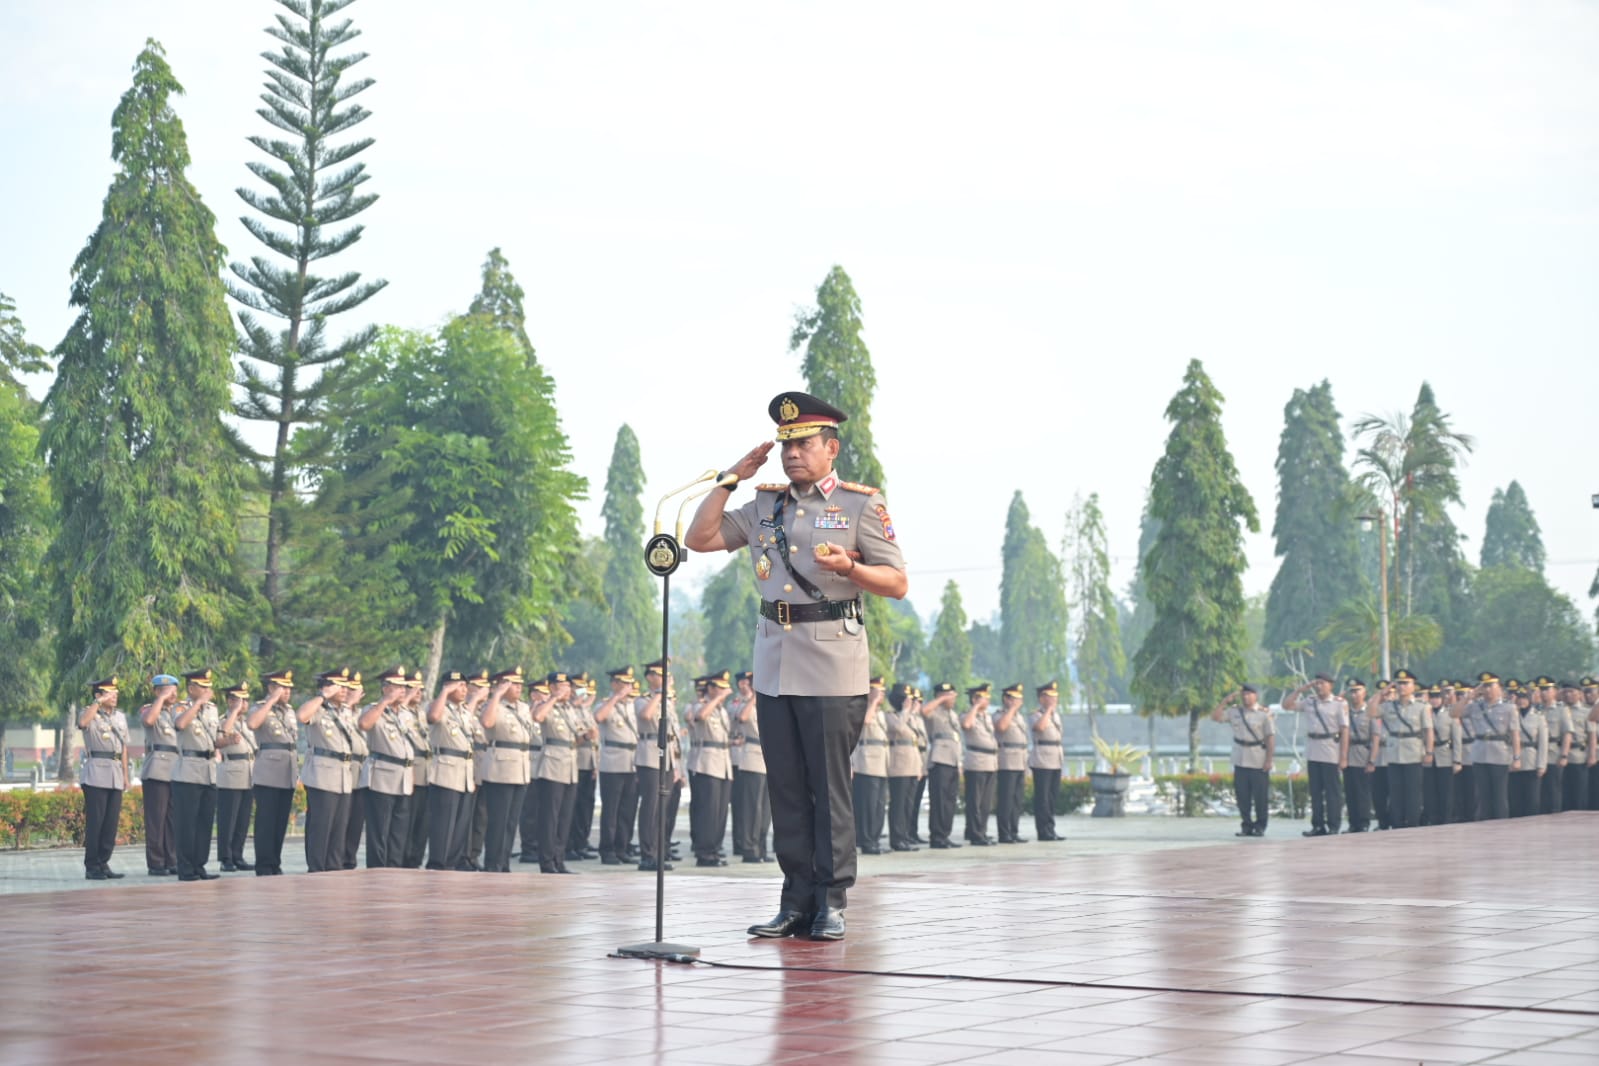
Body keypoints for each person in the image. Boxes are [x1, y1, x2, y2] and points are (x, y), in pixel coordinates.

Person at [686, 390, 909, 942]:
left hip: (833, 662)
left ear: (830, 449)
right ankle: (795, 901)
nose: (792, 455)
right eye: (786, 445)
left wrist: (850, 569)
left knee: (827, 787)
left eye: (804, 445)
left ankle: (832, 901)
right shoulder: (765, 505)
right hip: (776, 662)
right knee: (785, 787)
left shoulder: (861, 506)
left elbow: (897, 582)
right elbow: (700, 538)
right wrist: (729, 479)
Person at [358, 666, 416, 868]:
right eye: (396, 686)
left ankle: (394, 868)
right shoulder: (373, 709)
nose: (402, 690)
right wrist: (385, 702)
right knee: (379, 830)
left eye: (403, 686)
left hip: (404, 777)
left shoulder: (407, 715)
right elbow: (364, 724)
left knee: (399, 831)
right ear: (385, 688)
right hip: (382, 776)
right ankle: (378, 869)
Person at [300, 668, 356, 873]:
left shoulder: (344, 712)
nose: (344, 690)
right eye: (338, 686)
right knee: (321, 826)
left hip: (342, 774)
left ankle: (334, 867)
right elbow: (302, 715)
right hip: (322, 774)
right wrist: (323, 696)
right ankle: (316, 868)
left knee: (339, 828)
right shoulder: (318, 708)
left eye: (345, 686)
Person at [478, 668, 533, 873]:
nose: (519, 687)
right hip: (500, 768)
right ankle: (492, 863)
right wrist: (497, 695)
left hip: (520, 768)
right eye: (513, 684)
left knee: (511, 822)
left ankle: (504, 862)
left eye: (520, 684)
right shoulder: (493, 706)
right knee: (498, 821)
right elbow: (487, 723)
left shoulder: (524, 708)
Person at [426, 671, 480, 870]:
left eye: (465, 686)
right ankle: (437, 863)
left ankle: (453, 863)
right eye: (459, 686)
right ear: (447, 686)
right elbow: (433, 717)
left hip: (465, 771)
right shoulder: (438, 706)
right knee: (443, 823)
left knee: (460, 824)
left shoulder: (464, 712)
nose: (464, 690)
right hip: (446, 771)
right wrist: (445, 691)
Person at [1283, 673, 1347, 836]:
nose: (1319, 686)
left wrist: (1343, 756)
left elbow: (1344, 730)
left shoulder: (1339, 704)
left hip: (1331, 750)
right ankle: (1318, 825)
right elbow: (1287, 706)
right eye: (1317, 683)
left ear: (1331, 685)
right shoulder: (1309, 701)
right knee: (1316, 791)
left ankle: (1333, 825)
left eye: (1323, 683)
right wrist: (1299, 690)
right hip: (1313, 750)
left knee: (1332, 792)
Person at [248, 669, 297, 876]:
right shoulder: (260, 708)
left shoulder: (289, 711)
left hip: (287, 771)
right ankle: (264, 865)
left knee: (279, 822)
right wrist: (271, 700)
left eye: (288, 688)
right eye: (282, 688)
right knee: (266, 822)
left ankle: (275, 862)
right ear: (271, 688)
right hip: (268, 771)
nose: (287, 692)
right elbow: (252, 724)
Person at [79, 677, 128, 880]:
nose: (114, 696)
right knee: (96, 822)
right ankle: (92, 866)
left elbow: (124, 747)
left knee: (110, 823)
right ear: (99, 695)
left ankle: (103, 862)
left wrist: (126, 775)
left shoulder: (120, 717)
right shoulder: (89, 713)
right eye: (109, 693)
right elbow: (82, 723)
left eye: (115, 693)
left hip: (115, 772)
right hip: (96, 773)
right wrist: (97, 703)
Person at [1210, 684, 1275, 837]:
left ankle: (1260, 826)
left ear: (1255, 696)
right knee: (1242, 796)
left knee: (1260, 796)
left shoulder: (1264, 714)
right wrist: (1225, 701)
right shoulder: (1234, 711)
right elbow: (1215, 717)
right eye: (1243, 694)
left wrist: (1269, 760)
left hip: (1258, 758)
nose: (1246, 697)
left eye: (1249, 694)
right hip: (1240, 758)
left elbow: (1270, 738)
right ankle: (1246, 825)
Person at [534, 671, 580, 874]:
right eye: (562, 686)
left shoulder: (570, 709)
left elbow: (574, 737)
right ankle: (546, 861)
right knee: (549, 817)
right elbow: (537, 717)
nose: (566, 690)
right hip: (552, 765)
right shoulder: (545, 704)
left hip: (570, 765)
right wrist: (552, 698)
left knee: (564, 816)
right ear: (552, 687)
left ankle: (558, 859)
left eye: (568, 687)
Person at [688, 670, 735, 866]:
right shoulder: (701, 706)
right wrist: (717, 699)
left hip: (723, 763)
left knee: (720, 811)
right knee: (707, 810)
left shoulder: (722, 711)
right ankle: (704, 852)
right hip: (706, 763)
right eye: (721, 688)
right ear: (711, 689)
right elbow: (700, 716)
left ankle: (714, 849)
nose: (725, 691)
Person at [633, 661, 677, 872]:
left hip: (667, 755)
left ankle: (658, 853)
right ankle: (647, 854)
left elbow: (673, 732)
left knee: (662, 808)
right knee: (650, 805)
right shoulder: (643, 699)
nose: (664, 679)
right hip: (649, 754)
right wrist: (660, 694)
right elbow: (646, 716)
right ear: (650, 677)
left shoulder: (668, 700)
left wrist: (676, 765)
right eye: (660, 676)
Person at [595, 667, 641, 865]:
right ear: (614, 684)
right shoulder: (606, 704)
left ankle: (623, 847)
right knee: (611, 809)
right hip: (613, 761)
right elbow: (598, 717)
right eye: (622, 683)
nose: (626, 688)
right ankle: (608, 849)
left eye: (628, 684)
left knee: (627, 809)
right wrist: (615, 697)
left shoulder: (634, 706)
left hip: (632, 760)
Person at [138, 673, 181, 875]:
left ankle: (172, 859)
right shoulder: (150, 708)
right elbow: (148, 721)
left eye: (174, 690)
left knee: (173, 819)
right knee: (156, 819)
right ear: (156, 691)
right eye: (167, 690)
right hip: (158, 767)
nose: (172, 694)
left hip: (177, 767)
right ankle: (156, 862)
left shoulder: (178, 712)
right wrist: (161, 699)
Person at [1379, 669, 1433, 830]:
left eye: (1405, 683)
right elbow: (1371, 711)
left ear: (1413, 686)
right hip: (1394, 752)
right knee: (1396, 792)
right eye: (1399, 683)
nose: (1402, 686)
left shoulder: (1422, 707)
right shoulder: (1388, 706)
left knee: (1413, 792)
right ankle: (1397, 823)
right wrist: (1383, 692)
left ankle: (1413, 823)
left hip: (1413, 752)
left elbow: (1428, 730)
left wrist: (1429, 751)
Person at [728, 669, 772, 863]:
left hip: (768, 756)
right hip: (752, 757)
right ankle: (749, 848)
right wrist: (755, 698)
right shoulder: (745, 704)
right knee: (751, 808)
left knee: (765, 809)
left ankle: (761, 847)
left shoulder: (769, 702)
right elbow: (743, 718)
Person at [215, 681, 257, 871]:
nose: (244, 704)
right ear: (230, 700)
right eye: (240, 700)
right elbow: (221, 736)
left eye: (246, 700)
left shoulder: (247, 723)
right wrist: (234, 711)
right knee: (228, 820)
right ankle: (226, 858)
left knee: (243, 820)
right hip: (231, 773)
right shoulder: (224, 719)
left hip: (249, 772)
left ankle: (238, 855)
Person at [1466, 673, 1520, 821]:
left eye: (1490, 685)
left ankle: (1501, 826)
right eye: (1484, 686)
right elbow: (1454, 713)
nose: (1487, 689)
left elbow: (1515, 734)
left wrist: (1516, 757)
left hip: (1499, 754)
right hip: (1480, 753)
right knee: (1483, 795)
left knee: (1499, 796)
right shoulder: (1474, 706)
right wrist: (1469, 697)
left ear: (1499, 688)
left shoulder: (1509, 708)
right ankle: (1484, 826)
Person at [849, 677, 890, 855]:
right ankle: (866, 841)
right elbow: (864, 722)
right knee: (867, 805)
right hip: (867, 763)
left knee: (879, 804)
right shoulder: (863, 708)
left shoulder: (881, 713)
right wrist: (871, 701)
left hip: (881, 763)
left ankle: (874, 839)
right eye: (878, 691)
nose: (881, 695)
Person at [922, 682, 963, 848]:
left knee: (949, 801)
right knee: (939, 800)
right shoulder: (934, 711)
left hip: (953, 759)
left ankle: (945, 834)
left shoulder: (952, 714)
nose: (953, 699)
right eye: (949, 695)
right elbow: (924, 711)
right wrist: (941, 699)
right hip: (940, 759)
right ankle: (937, 836)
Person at [883, 683, 923, 852]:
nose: (909, 702)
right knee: (898, 804)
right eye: (906, 700)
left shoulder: (910, 717)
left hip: (913, 764)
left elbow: (917, 741)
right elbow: (898, 728)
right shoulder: (891, 716)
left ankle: (905, 836)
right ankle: (897, 838)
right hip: (899, 765)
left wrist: (920, 767)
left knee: (908, 803)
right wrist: (906, 711)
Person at [398, 670, 432, 868]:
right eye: (412, 688)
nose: (417, 692)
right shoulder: (401, 712)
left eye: (420, 689)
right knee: (408, 821)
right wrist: (407, 696)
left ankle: (416, 859)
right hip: (411, 772)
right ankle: (404, 859)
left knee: (422, 822)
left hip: (426, 772)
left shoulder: (420, 712)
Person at [338, 671, 370, 869]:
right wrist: (348, 703)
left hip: (360, 769)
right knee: (341, 818)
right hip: (343, 768)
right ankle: (337, 858)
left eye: (356, 690)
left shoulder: (362, 713)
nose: (353, 693)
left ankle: (349, 858)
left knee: (356, 819)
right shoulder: (339, 712)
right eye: (349, 689)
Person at [567, 675, 600, 862]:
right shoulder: (571, 710)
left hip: (588, 762)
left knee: (585, 806)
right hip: (576, 761)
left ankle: (581, 842)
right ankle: (570, 844)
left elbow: (595, 740)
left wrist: (596, 763)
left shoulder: (584, 711)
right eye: (578, 688)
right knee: (573, 807)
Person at [960, 683, 998, 846]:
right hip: (976, 761)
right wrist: (975, 707)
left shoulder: (987, 717)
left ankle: (981, 831)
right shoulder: (967, 714)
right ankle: (975, 834)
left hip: (990, 761)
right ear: (975, 699)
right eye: (983, 698)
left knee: (985, 802)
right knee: (975, 801)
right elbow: (967, 725)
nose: (987, 702)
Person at [1028, 680, 1065, 841]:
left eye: (1055, 697)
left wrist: (1051, 711)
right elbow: (1040, 728)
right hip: (1042, 759)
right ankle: (1043, 831)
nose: (1054, 700)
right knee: (1042, 797)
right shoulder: (1035, 715)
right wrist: (1048, 710)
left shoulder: (1056, 715)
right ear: (1041, 698)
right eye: (1050, 697)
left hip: (1055, 758)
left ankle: (1051, 828)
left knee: (1052, 796)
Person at [1342, 680, 1380, 833]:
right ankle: (1353, 822)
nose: (1354, 694)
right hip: (1349, 755)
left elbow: (1375, 737)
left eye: (1357, 691)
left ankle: (1364, 822)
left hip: (1363, 755)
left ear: (1364, 692)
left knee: (1362, 792)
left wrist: (1372, 760)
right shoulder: (1346, 712)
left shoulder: (1370, 712)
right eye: (1351, 691)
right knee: (1350, 792)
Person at [993, 683, 1029, 844]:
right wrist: (1012, 710)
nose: (1018, 702)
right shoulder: (999, 714)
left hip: (1020, 759)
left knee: (1017, 799)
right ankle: (1004, 832)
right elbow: (1001, 727)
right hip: (1007, 759)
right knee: (1006, 799)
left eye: (1019, 699)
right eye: (1014, 698)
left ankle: (1014, 830)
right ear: (1006, 699)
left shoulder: (1019, 717)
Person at [1423, 683, 1462, 825]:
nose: (1434, 700)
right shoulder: (1425, 712)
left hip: (1445, 755)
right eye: (1432, 697)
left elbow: (1457, 739)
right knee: (1430, 791)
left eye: (1437, 697)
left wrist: (1457, 760)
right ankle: (1433, 819)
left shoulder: (1450, 714)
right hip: (1428, 756)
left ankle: (1446, 819)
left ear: (1443, 699)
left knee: (1446, 791)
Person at [1507, 681, 1547, 818]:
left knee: (1532, 799)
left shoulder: (1538, 716)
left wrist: (1541, 765)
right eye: (1519, 697)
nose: (1521, 701)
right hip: (1513, 761)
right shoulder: (1511, 715)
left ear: (1529, 699)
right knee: (1515, 799)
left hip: (1531, 760)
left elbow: (1543, 743)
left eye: (1524, 698)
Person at [1535, 678, 1570, 814]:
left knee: (1553, 787)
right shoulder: (1536, 709)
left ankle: (1555, 813)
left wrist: (1564, 755)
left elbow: (1567, 733)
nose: (1543, 693)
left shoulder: (1562, 710)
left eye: (1547, 690)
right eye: (1541, 690)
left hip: (1553, 753)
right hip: (1538, 754)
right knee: (1540, 789)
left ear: (1554, 691)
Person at [1562, 680, 1595, 812]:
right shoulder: (1560, 710)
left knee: (1579, 792)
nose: (1568, 695)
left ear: (1579, 694)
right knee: (1564, 792)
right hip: (1560, 756)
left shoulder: (1586, 712)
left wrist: (1592, 755)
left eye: (1571, 692)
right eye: (1565, 692)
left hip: (1579, 756)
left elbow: (1591, 736)